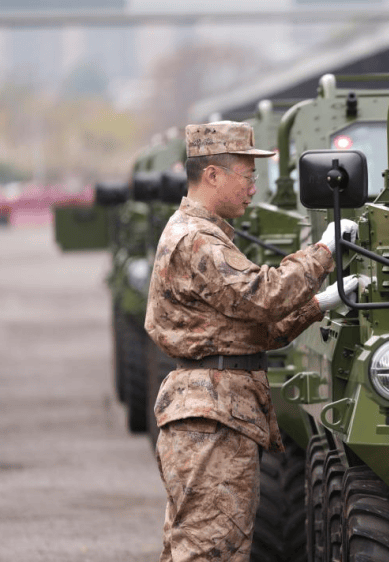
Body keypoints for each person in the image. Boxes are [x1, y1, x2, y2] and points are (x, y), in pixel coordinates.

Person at [144, 120, 357, 561]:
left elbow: (252, 330)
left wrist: (324, 301)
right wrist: (324, 252)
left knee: (205, 547)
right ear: (213, 175)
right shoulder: (197, 240)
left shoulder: (202, 235)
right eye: (248, 175)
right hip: (211, 418)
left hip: (216, 413)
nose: (253, 188)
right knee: (209, 551)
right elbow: (263, 296)